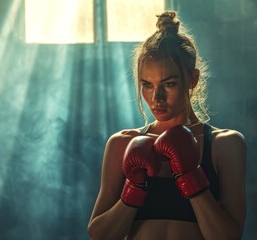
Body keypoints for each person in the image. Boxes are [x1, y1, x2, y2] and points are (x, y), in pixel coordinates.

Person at [87, 11, 246, 240]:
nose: (156, 98)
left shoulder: (225, 145)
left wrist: (192, 177)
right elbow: (100, 235)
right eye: (147, 85)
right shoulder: (122, 144)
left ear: (192, 79)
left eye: (169, 84)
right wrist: (134, 190)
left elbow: (229, 237)